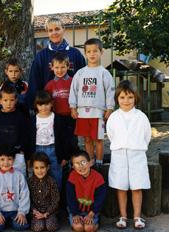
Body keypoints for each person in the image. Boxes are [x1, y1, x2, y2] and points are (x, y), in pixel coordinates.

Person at [106, 80, 151, 229]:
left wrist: (135, 146)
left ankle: (137, 217)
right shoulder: (113, 117)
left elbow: (147, 136)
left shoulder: (141, 117)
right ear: (117, 98)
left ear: (136, 98)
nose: (126, 101)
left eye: (130, 97)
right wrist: (121, 145)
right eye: (123, 97)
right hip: (119, 154)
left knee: (137, 186)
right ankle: (123, 216)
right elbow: (111, 135)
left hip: (136, 154)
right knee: (121, 186)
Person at [69, 38, 115, 169]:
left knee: (98, 139)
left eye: (95, 51)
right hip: (82, 112)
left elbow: (110, 91)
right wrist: (73, 107)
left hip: (97, 112)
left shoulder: (104, 73)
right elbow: (74, 90)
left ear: (101, 52)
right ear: (85, 53)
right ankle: (90, 161)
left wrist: (110, 108)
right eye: (89, 51)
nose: (92, 54)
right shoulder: (80, 73)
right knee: (87, 140)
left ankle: (99, 162)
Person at [27, 17, 86, 109]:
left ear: (64, 29)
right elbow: (34, 82)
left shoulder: (75, 54)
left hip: (73, 108)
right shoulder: (41, 56)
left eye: (57, 29)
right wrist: (34, 106)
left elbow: (83, 79)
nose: (54, 33)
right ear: (47, 32)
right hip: (48, 109)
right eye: (50, 30)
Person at [45, 52, 78, 167]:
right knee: (59, 140)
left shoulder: (73, 81)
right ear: (52, 67)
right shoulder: (50, 84)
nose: (59, 70)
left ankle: (74, 163)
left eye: (63, 67)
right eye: (57, 67)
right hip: (56, 116)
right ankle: (63, 163)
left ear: (68, 66)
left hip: (71, 116)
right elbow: (46, 100)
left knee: (72, 141)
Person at [0, 146, 30, 232]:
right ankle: (1, 221)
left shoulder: (19, 175)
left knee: (21, 226)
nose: (6, 163)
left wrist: (22, 212)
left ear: (14, 160)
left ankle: (11, 221)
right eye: (2, 159)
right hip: (0, 211)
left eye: (9, 159)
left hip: (15, 211)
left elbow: (24, 193)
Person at [0, 83, 30, 177]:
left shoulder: (21, 117)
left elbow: (25, 136)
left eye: (11, 100)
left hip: (17, 156)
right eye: (5, 100)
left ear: (16, 100)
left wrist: (23, 151)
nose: (8, 103)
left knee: (19, 180)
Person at [66, 150, 106, 232]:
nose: (80, 166)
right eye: (77, 164)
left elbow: (100, 199)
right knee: (79, 228)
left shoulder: (98, 178)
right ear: (73, 166)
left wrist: (91, 214)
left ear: (90, 162)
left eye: (83, 162)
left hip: (92, 211)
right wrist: (75, 214)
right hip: (76, 210)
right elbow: (70, 198)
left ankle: (97, 222)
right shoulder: (72, 177)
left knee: (89, 229)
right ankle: (76, 219)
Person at [31, 91, 61, 191]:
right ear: (36, 105)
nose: (44, 107)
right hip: (38, 149)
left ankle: (57, 201)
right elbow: (29, 138)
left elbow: (63, 137)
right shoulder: (33, 119)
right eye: (40, 104)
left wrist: (63, 156)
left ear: (51, 103)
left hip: (53, 149)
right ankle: (39, 201)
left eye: (47, 104)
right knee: (39, 176)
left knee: (56, 174)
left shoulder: (56, 118)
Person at [28, 152, 60, 232]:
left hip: (49, 212)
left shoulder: (51, 181)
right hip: (36, 212)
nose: (39, 171)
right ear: (32, 168)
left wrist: (47, 213)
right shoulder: (30, 182)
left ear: (48, 167)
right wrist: (34, 210)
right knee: (38, 227)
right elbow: (27, 199)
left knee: (50, 227)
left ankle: (50, 220)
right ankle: (39, 221)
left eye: (42, 167)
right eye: (36, 168)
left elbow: (55, 200)